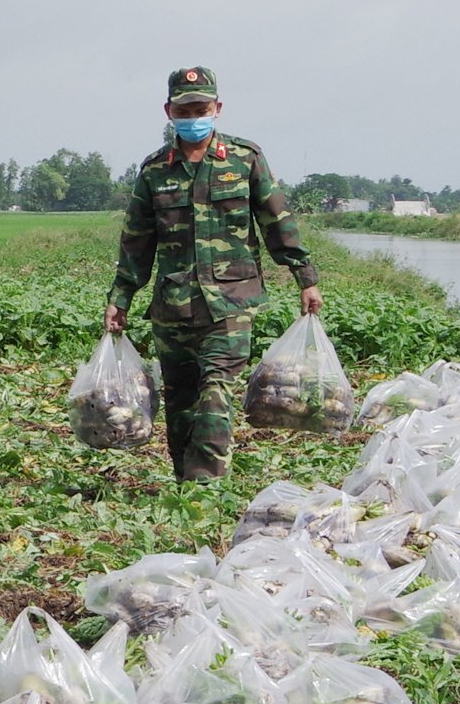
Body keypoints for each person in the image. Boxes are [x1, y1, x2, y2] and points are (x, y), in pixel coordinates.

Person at [104, 65, 320, 481]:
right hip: (173, 307)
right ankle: (185, 482)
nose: (192, 117)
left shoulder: (245, 159)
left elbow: (277, 220)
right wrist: (121, 297)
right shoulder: (154, 172)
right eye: (184, 111)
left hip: (230, 303)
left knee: (216, 391)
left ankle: (207, 487)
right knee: (181, 399)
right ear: (169, 111)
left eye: (200, 108)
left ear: (217, 108)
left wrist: (305, 277)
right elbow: (136, 241)